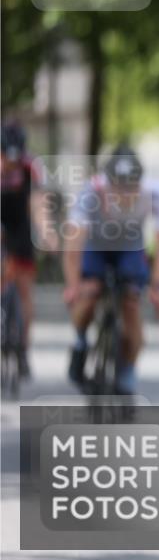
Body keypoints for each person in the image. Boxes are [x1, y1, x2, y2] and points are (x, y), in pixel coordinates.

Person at [63, 144, 159, 395]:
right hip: (96, 247)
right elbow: (72, 248)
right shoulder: (90, 193)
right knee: (89, 294)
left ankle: (128, 368)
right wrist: (74, 286)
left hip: (130, 248)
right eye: (117, 189)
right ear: (107, 184)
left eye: (130, 188)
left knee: (131, 304)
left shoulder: (157, 194)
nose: (124, 195)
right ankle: (80, 341)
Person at [0, 119, 54, 378]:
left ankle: (22, 348)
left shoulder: (31, 167)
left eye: (15, 159)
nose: (10, 165)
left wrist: (46, 233)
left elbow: (38, 204)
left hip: (20, 224)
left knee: (24, 290)